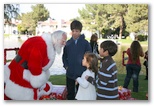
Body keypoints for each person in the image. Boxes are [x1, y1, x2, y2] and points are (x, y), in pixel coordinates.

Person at [4, 30, 67, 100]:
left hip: (24, 71)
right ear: (57, 39)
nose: (64, 44)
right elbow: (34, 65)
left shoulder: (45, 43)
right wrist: (40, 81)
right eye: (63, 41)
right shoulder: (40, 44)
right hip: (20, 73)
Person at [62, 20, 92, 100]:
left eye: (77, 31)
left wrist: (86, 69)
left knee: (81, 96)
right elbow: (64, 56)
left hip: (82, 74)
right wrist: (66, 66)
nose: (74, 33)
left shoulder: (86, 43)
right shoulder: (68, 43)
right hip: (70, 74)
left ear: (80, 31)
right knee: (70, 94)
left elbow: (90, 58)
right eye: (73, 31)